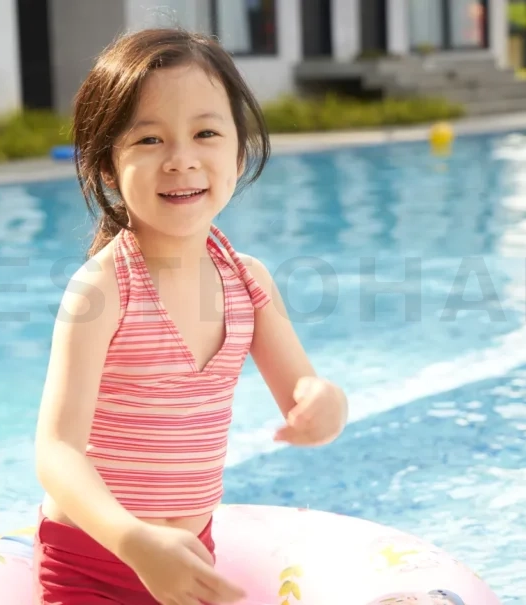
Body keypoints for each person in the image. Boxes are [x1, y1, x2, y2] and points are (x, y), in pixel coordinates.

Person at [33, 26, 349, 605]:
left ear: (239, 151)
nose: (181, 160)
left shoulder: (248, 282)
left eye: (206, 133)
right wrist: (134, 541)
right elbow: (56, 451)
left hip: (194, 558)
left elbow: (303, 392)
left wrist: (327, 405)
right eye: (149, 139)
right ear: (108, 167)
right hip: (93, 562)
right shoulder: (103, 289)